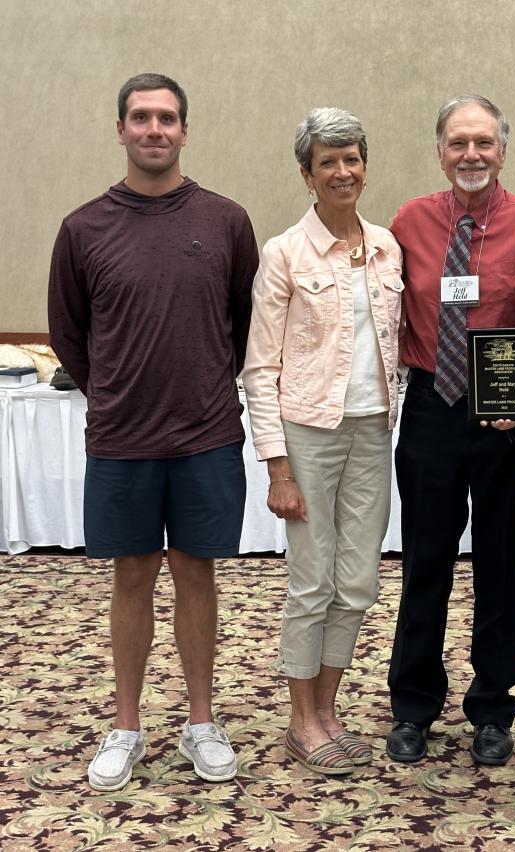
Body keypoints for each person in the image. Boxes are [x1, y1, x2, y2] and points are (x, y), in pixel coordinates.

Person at [47, 73, 259, 791]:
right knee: (131, 577)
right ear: (120, 130)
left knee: (196, 575)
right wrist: (116, 390)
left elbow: (242, 324)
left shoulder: (227, 221)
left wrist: (198, 382)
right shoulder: (83, 229)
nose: (154, 129)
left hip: (206, 435)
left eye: (167, 118)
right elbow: (71, 336)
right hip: (121, 439)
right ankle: (128, 725)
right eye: (141, 117)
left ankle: (201, 722)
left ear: (185, 131)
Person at [386, 94, 515, 765]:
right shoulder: (409, 222)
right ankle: (414, 706)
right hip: (430, 409)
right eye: (458, 143)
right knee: (424, 563)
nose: (471, 155)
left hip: (505, 417)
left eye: (483, 142)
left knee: (499, 563)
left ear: (503, 151)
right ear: (440, 151)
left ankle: (492, 706)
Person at [242, 108, 403, 776]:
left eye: (352, 158)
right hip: (309, 434)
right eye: (328, 162)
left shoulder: (388, 247)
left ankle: (327, 709)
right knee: (312, 580)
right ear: (307, 174)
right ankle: (299, 720)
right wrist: (278, 467)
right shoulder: (284, 253)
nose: (343, 171)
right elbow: (260, 367)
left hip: (373, 429)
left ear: (366, 165)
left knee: (358, 580)